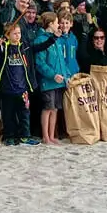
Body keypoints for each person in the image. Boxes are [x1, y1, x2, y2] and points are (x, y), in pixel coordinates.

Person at [0, 23, 39, 145]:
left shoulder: (24, 47)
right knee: (8, 115)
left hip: (22, 88)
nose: (17, 36)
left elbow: (38, 47)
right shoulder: (4, 48)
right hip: (7, 89)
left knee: (24, 113)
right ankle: (9, 136)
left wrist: (53, 38)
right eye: (14, 33)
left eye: (19, 33)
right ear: (7, 35)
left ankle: (25, 135)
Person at [33, 12, 69, 145]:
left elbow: (61, 60)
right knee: (47, 108)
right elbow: (40, 63)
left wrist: (66, 77)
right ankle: (45, 136)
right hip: (48, 81)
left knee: (55, 109)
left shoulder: (57, 39)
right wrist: (52, 75)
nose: (59, 24)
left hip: (59, 81)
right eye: (56, 22)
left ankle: (52, 135)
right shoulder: (41, 40)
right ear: (50, 24)